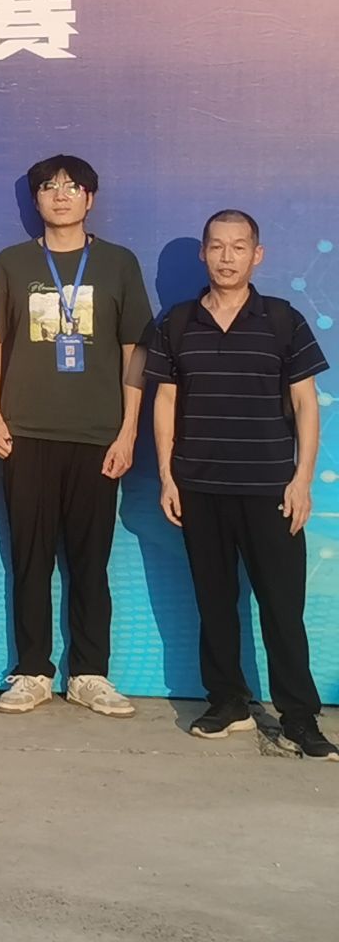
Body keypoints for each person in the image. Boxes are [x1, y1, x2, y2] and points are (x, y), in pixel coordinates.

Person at [148, 210, 334, 758]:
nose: (226, 257)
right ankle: (228, 702)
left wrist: (302, 479)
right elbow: (165, 402)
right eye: (216, 246)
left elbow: (306, 403)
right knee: (214, 602)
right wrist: (167, 476)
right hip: (199, 487)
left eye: (238, 247)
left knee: (282, 607)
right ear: (203, 254)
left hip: (271, 489)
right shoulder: (177, 322)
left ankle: (299, 718)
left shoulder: (281, 319)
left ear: (257, 255)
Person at [0, 155, 150, 717]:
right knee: (30, 560)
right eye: (49, 187)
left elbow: (134, 350)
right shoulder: (11, 264)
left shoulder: (118, 263)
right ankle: (32, 670)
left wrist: (128, 431)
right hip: (25, 433)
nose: (60, 195)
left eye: (72, 187)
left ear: (90, 198)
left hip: (97, 436)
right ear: (36, 199)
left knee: (90, 561)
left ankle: (89, 673)